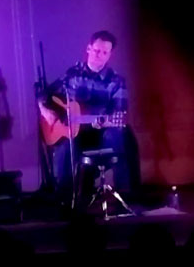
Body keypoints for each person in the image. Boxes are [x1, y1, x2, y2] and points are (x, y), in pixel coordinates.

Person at [38, 30, 140, 207]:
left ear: (110, 55)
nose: (99, 55)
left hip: (101, 134)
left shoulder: (116, 81)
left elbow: (119, 113)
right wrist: (46, 111)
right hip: (74, 132)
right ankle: (65, 200)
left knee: (117, 134)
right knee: (65, 145)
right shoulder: (73, 74)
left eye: (104, 52)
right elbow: (44, 94)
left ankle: (125, 197)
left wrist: (104, 122)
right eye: (96, 50)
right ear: (88, 49)